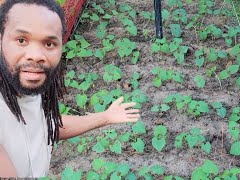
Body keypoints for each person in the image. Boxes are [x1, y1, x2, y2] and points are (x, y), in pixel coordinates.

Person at [0, 0, 140, 177]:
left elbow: (47, 125)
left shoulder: (25, 86)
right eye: (21, 40)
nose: (36, 56)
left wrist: (106, 117)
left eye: (49, 44)